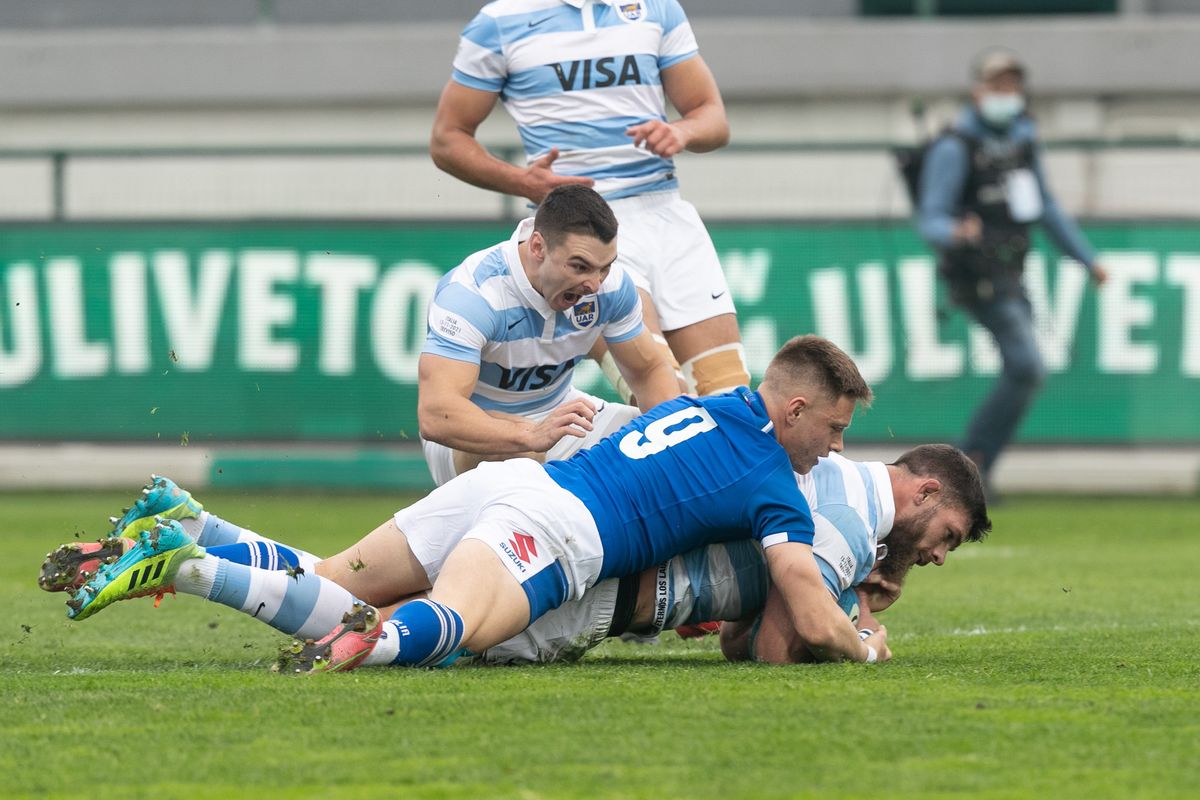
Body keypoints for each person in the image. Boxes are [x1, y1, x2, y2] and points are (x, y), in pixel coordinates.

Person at [58, 336, 886, 671]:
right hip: (558, 532)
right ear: (798, 410)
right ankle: (192, 568)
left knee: (329, 578)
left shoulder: (707, 402)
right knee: (435, 634)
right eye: (835, 429)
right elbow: (809, 615)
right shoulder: (777, 480)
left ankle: (192, 522)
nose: (836, 448)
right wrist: (865, 647)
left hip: (506, 486)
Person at [429, 0, 748, 404]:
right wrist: (524, 181)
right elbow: (446, 139)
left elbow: (712, 118)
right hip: (583, 235)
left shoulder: (656, 8)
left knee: (730, 396)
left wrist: (682, 132)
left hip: (667, 212)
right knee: (662, 394)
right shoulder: (498, 22)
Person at [917, 48, 1108, 495]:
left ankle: (973, 471)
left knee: (1026, 370)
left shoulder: (1022, 142)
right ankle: (968, 468)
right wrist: (956, 231)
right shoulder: (954, 144)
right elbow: (931, 218)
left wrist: (1086, 258)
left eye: (1013, 86)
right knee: (1027, 364)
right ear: (978, 91)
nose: (1007, 95)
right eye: (997, 86)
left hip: (1009, 271)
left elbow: (1046, 208)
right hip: (976, 274)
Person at [419, 184, 680, 485]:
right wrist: (531, 434)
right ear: (538, 247)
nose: (594, 285)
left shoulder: (611, 287)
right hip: (469, 441)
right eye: (580, 266)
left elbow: (648, 371)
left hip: (561, 419)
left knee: (675, 446)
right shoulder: (472, 295)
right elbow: (437, 414)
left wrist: (674, 444)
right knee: (525, 460)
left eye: (604, 268)